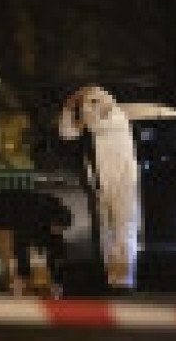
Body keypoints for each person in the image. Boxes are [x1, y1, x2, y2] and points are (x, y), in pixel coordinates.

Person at [58, 85, 140, 294]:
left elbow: (92, 124)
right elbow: (66, 134)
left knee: (124, 229)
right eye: (87, 104)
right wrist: (68, 109)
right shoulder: (94, 121)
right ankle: (112, 278)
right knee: (106, 232)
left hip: (123, 183)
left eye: (92, 103)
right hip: (100, 184)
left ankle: (124, 279)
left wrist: (81, 99)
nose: (88, 108)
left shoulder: (117, 118)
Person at [0, 188, 72, 298]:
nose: (58, 231)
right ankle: (16, 282)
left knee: (34, 248)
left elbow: (53, 242)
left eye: (61, 230)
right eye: (57, 228)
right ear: (54, 221)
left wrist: (55, 266)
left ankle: (25, 280)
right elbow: (20, 244)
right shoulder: (31, 216)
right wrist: (23, 272)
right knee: (9, 251)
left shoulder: (50, 214)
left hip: (16, 214)